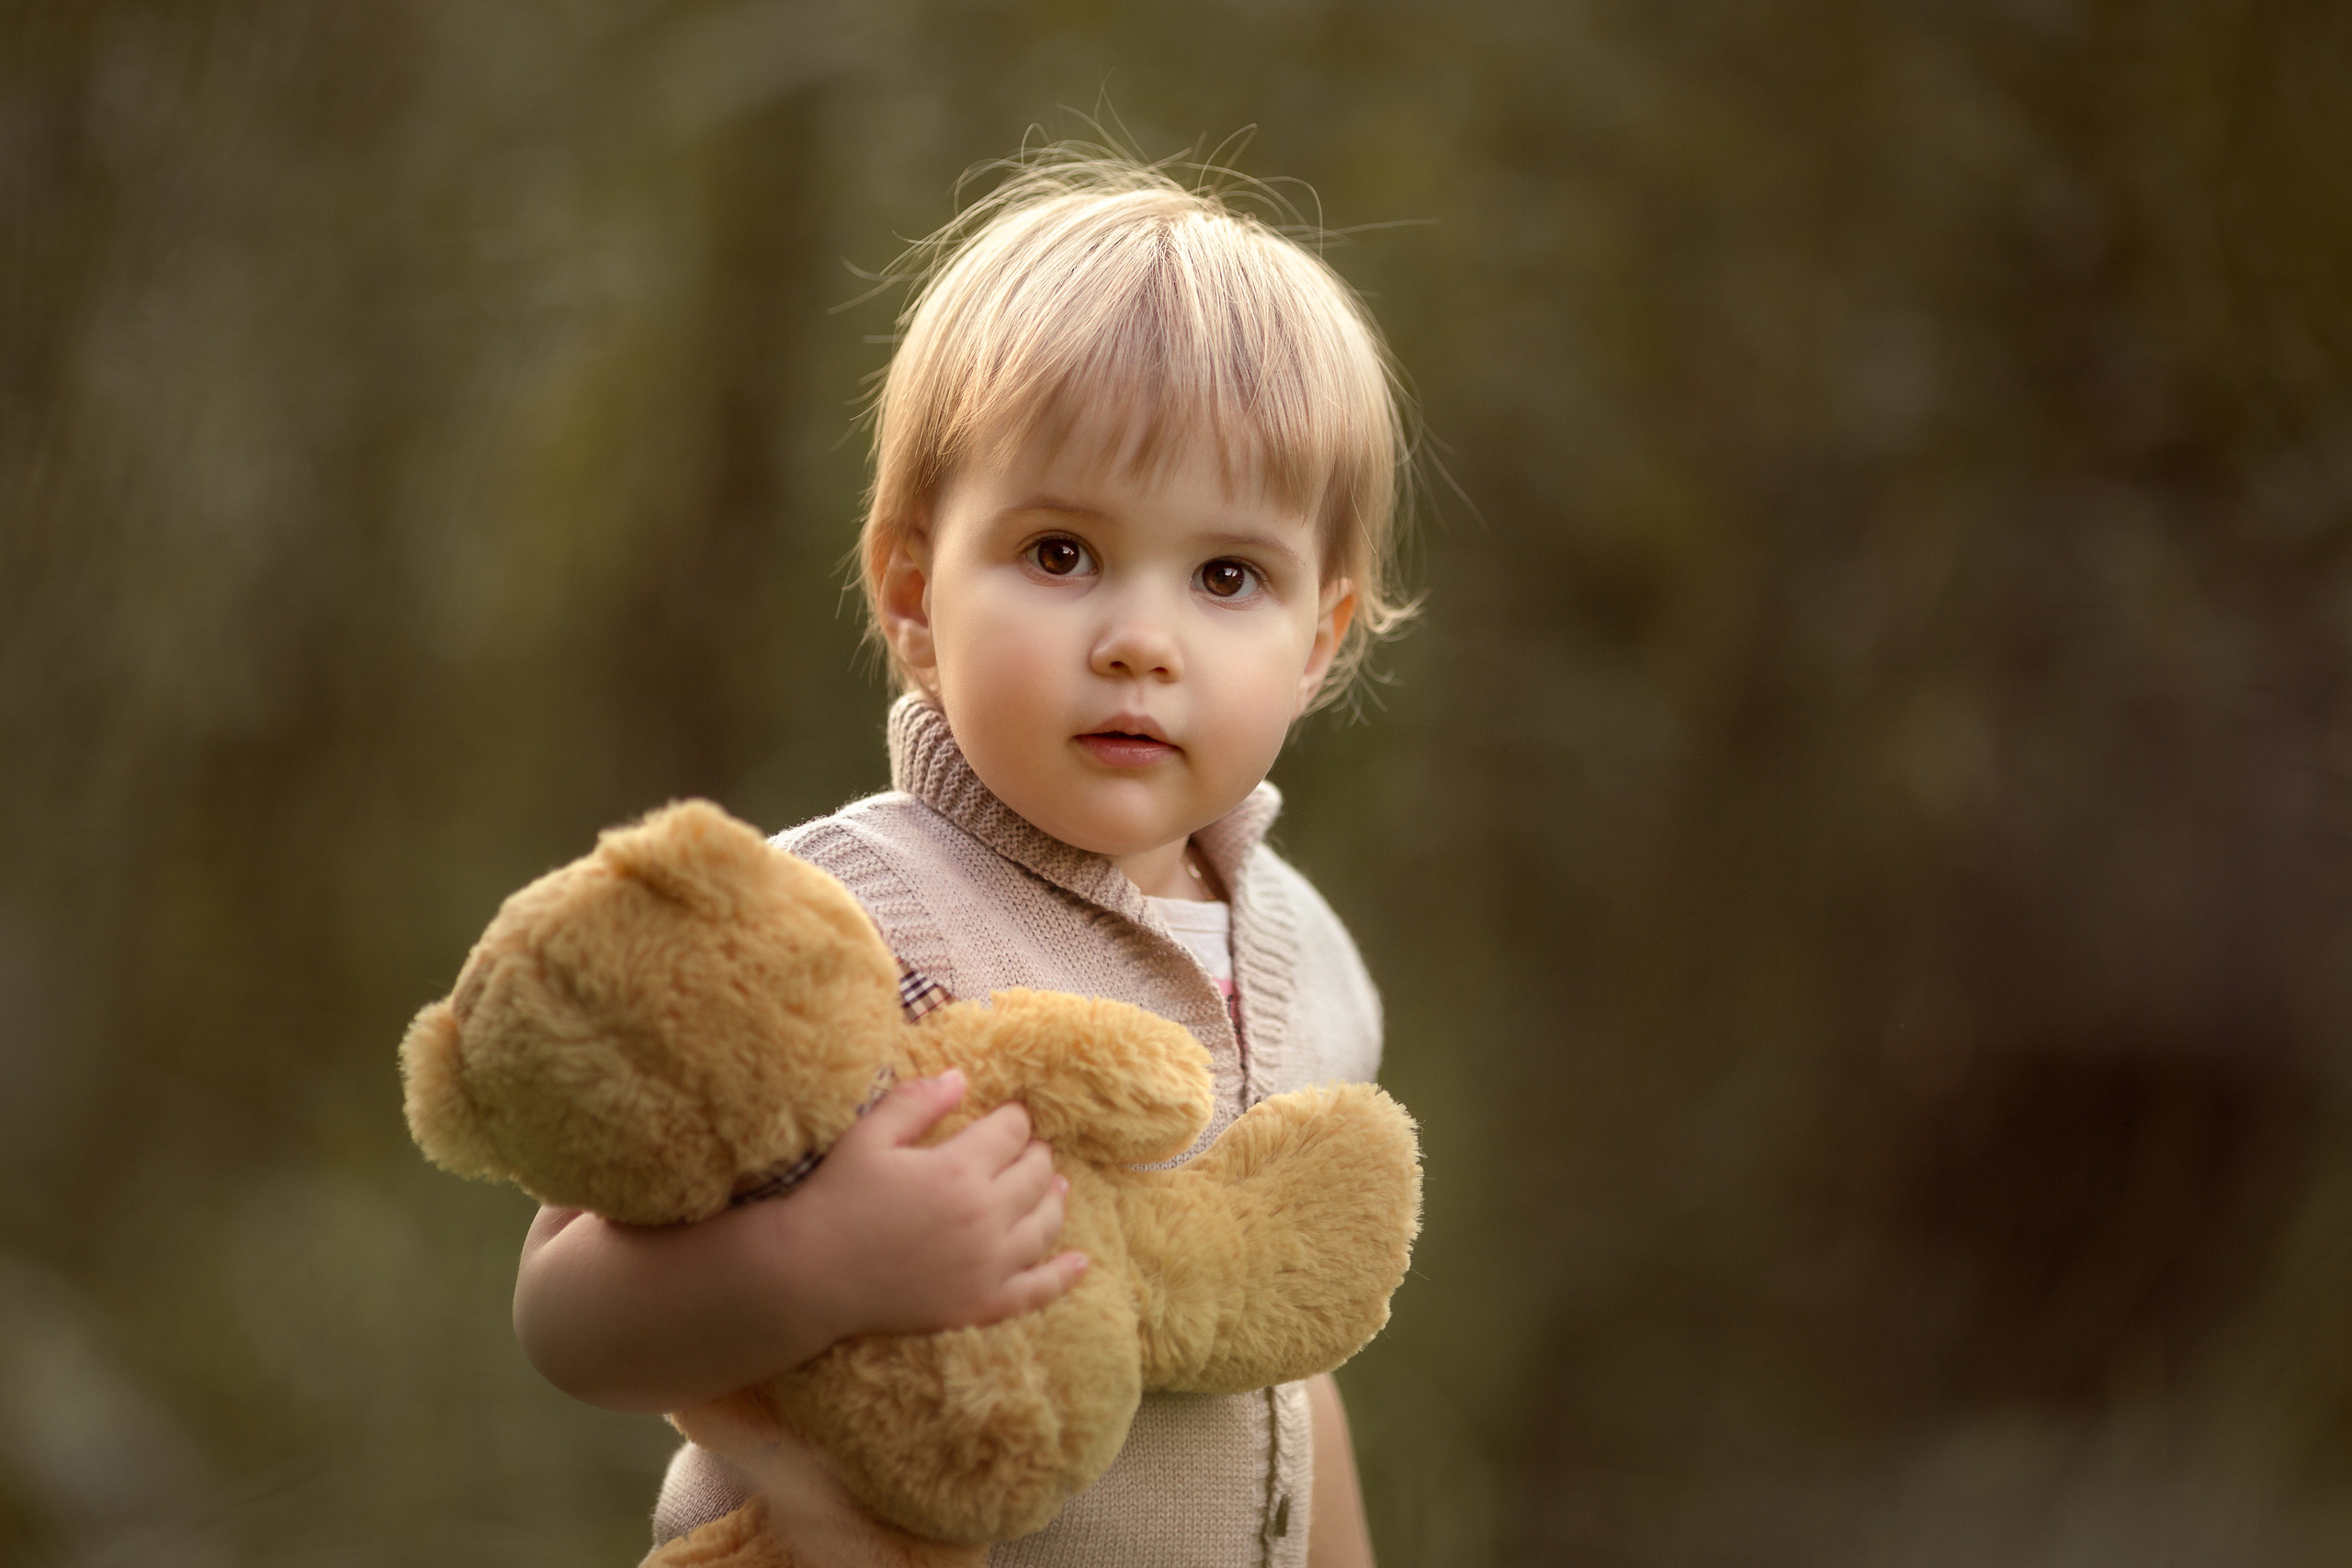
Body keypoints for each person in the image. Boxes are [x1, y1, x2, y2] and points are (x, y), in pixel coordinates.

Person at [510, 146, 1417, 1568]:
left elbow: (1290, 1391)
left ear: (1318, 638)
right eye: (1061, 554)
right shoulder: (829, 922)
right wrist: (822, 1258)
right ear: (914, 590)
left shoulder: (1309, 964)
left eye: (1226, 575)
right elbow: (564, 1315)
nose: (1139, 637)